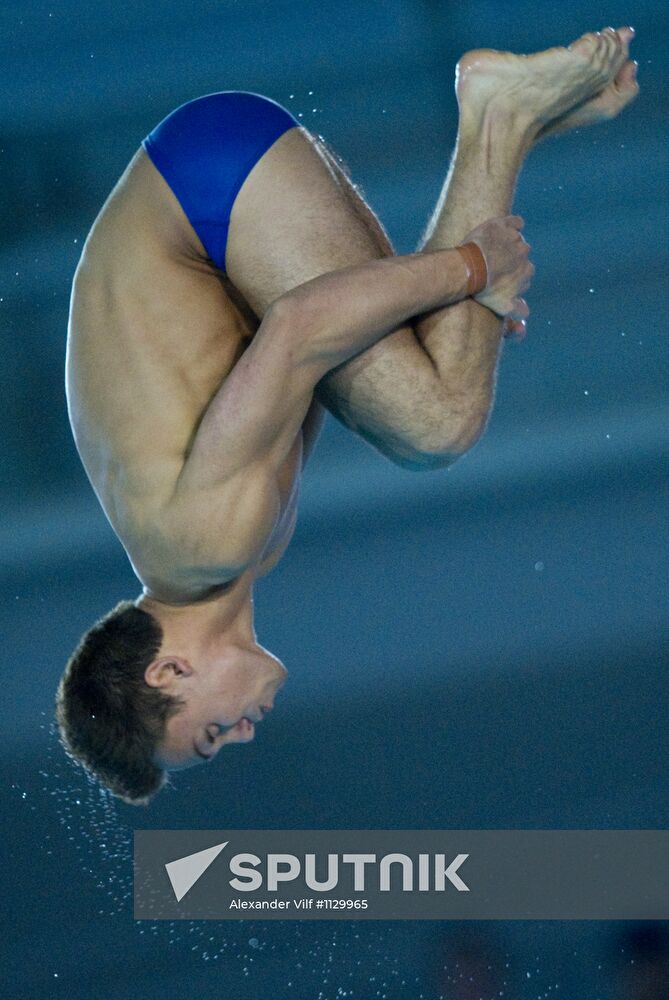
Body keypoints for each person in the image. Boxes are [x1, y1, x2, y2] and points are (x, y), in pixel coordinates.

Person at [56, 27, 638, 803]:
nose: (245, 732)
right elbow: (326, 352)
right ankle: (503, 125)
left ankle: (498, 121)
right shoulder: (226, 555)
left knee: (433, 425)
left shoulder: (202, 543)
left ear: (169, 671)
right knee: (424, 406)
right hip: (211, 184)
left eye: (211, 732)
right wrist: (461, 298)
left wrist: (471, 270)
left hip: (210, 185)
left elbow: (300, 327)